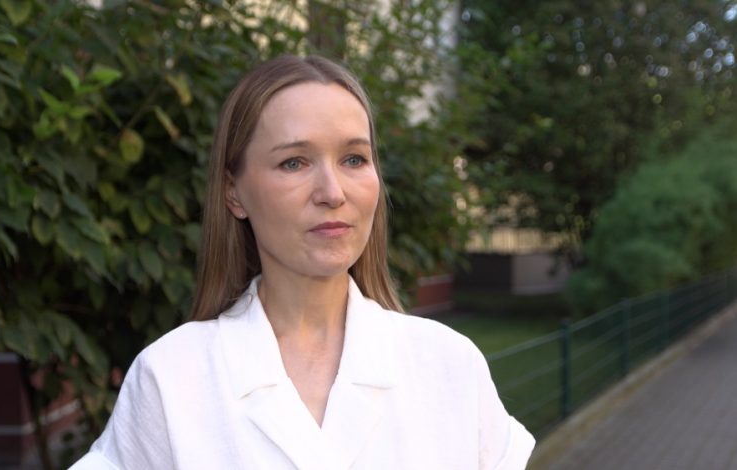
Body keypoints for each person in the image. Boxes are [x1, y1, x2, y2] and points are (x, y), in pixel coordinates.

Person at [70, 55, 535, 470]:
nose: (332, 192)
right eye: (294, 162)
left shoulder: (449, 366)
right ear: (234, 192)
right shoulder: (172, 378)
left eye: (354, 159)